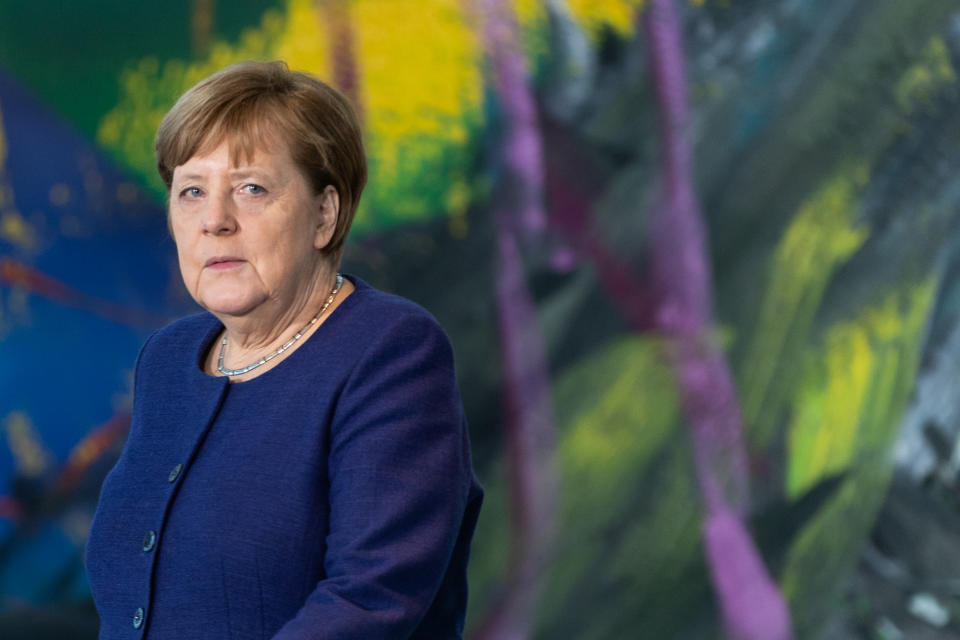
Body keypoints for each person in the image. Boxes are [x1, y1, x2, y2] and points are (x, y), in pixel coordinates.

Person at [85, 60, 483, 639]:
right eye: (191, 191)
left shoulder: (390, 350)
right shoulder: (169, 359)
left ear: (326, 213)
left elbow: (370, 599)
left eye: (251, 188)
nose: (214, 221)